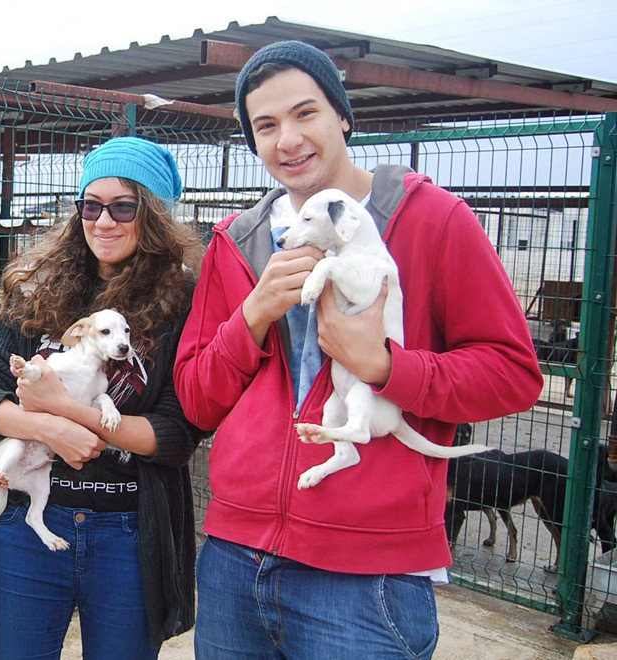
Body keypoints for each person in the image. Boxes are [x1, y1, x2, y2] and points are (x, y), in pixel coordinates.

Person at [173, 40, 544, 659]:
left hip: (365, 572)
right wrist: (254, 315)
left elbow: (513, 373)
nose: (287, 139)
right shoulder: (236, 243)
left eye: (305, 113)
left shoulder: (434, 220)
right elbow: (195, 397)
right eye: (265, 126)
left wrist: (388, 367)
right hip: (236, 557)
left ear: (343, 114)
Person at [0, 136, 205, 659]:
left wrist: (71, 413)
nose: (104, 221)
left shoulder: (185, 301)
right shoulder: (41, 288)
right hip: (28, 521)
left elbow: (177, 434)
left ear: (154, 214)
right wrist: (46, 428)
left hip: (129, 532)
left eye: (123, 206)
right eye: (91, 205)